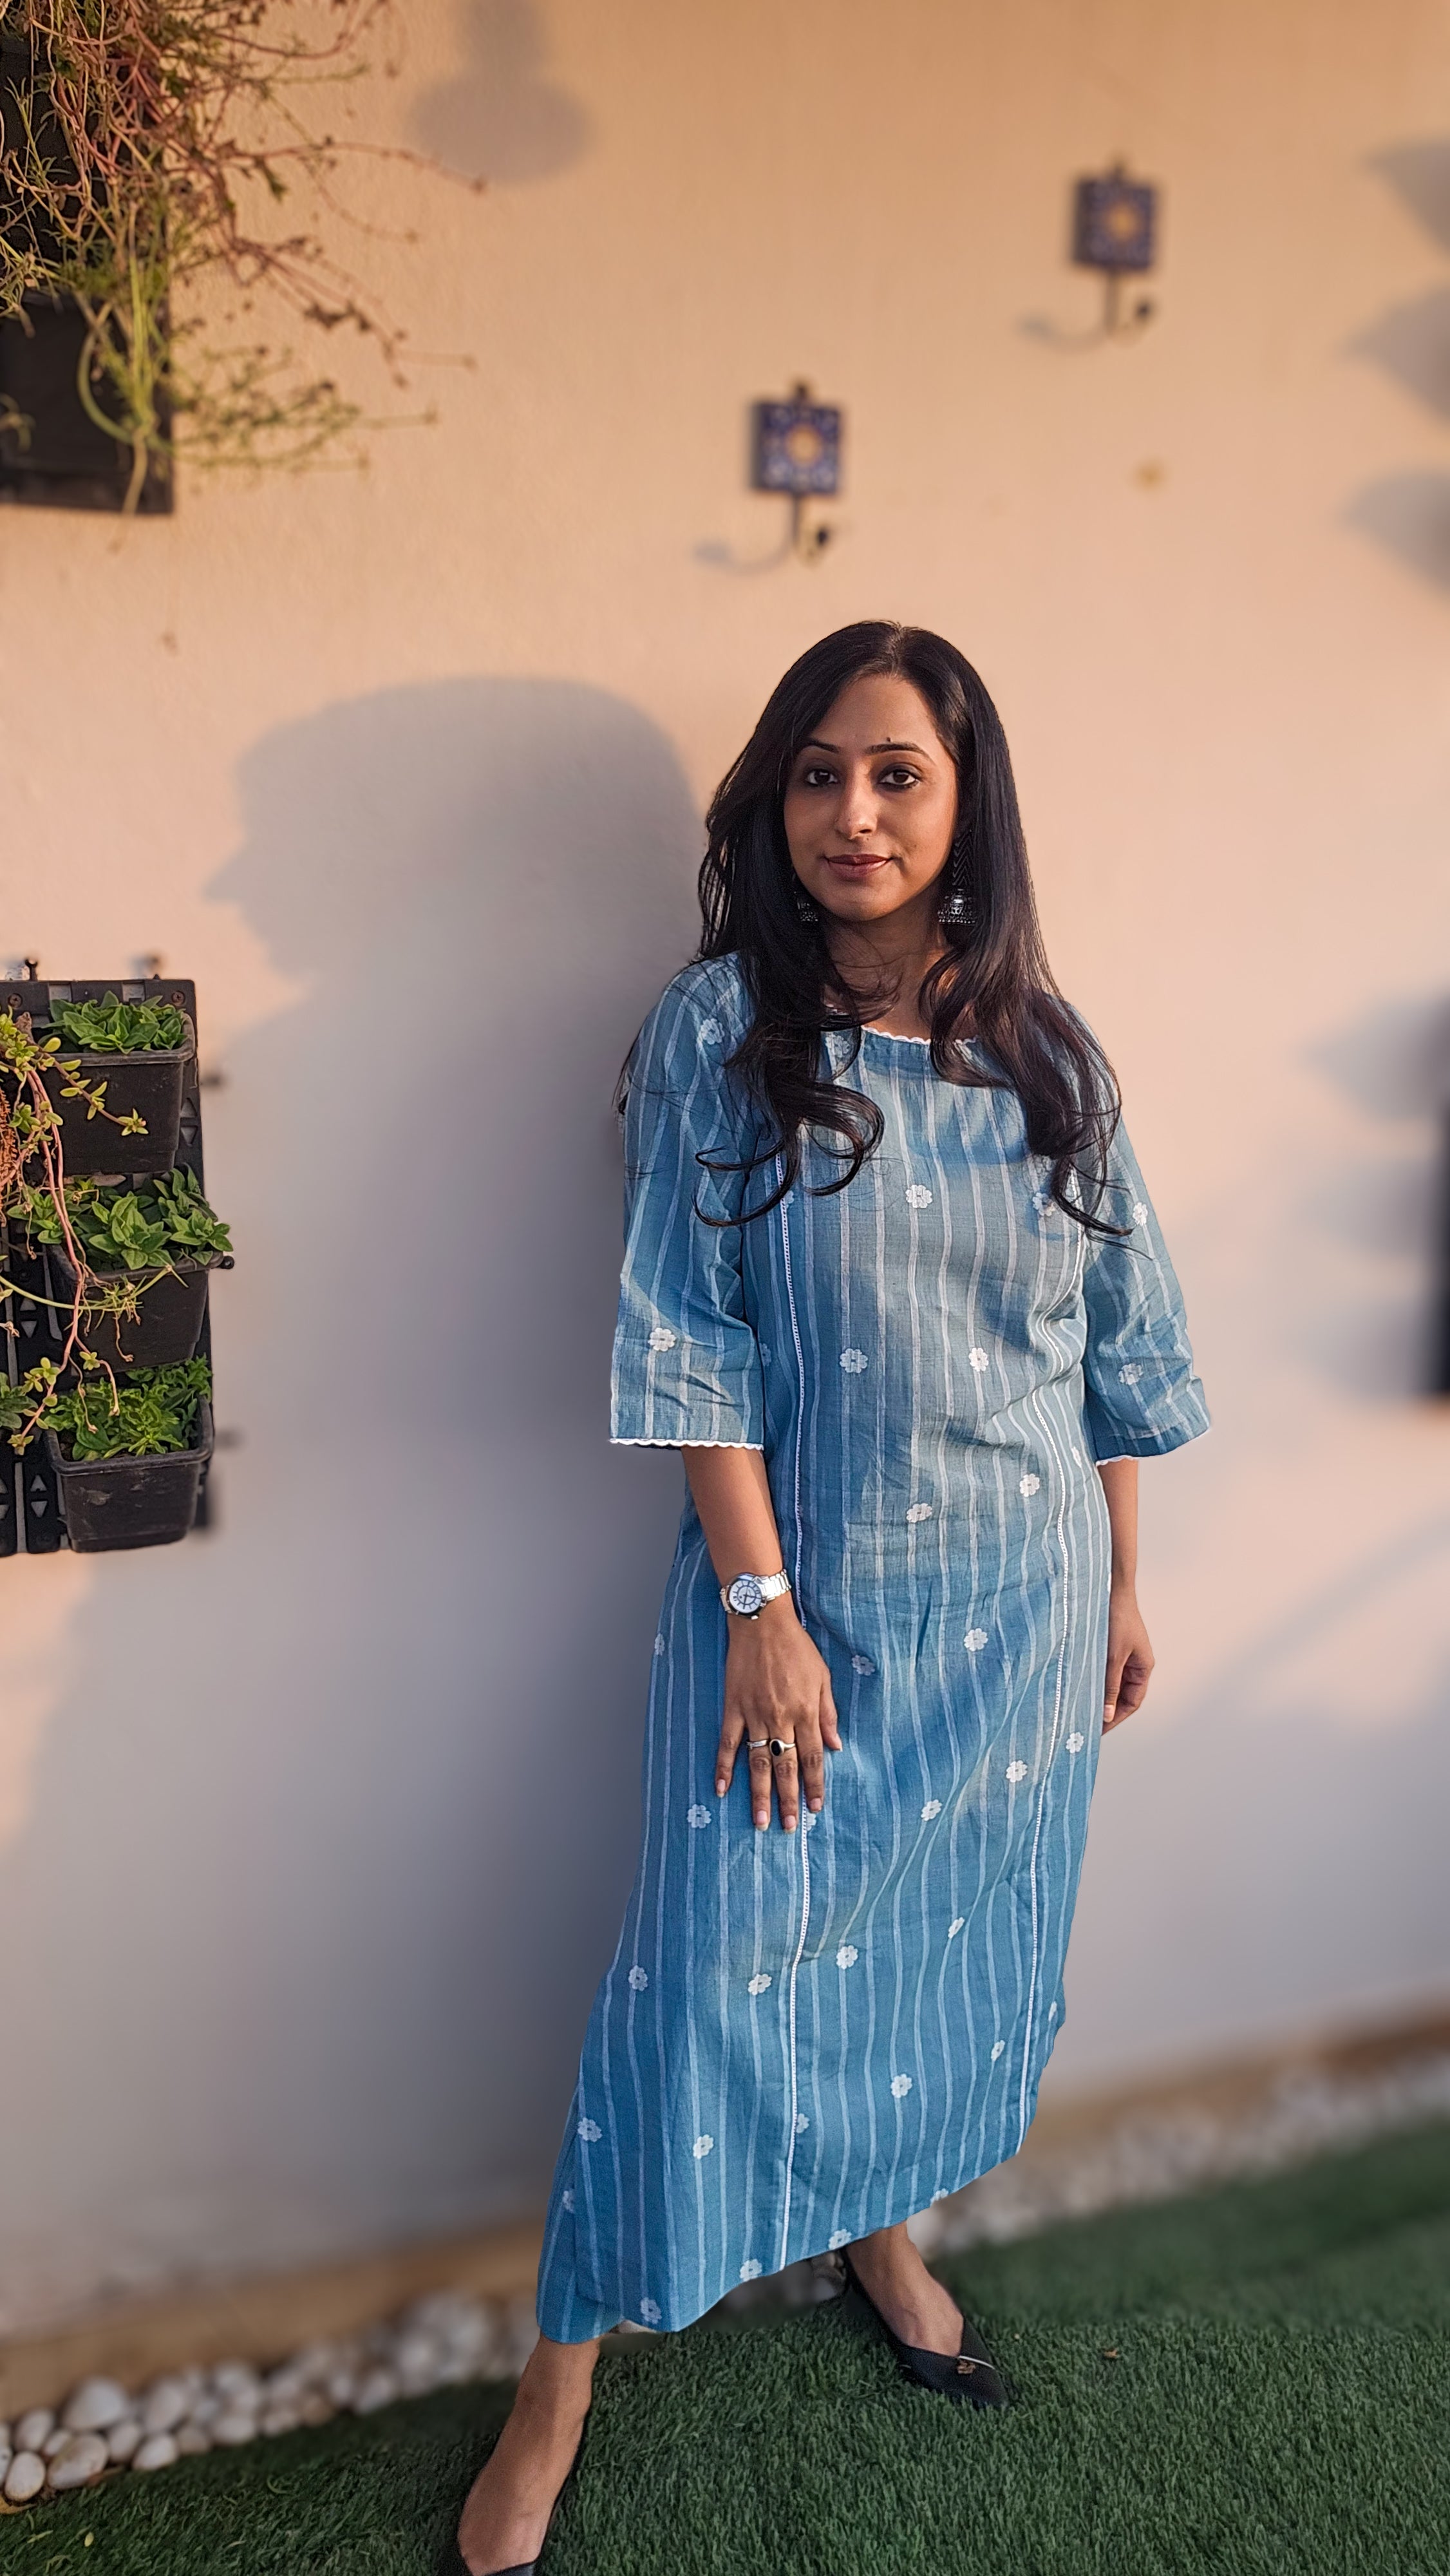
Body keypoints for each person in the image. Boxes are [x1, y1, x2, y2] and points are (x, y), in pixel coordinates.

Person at [444, 621, 1209, 2576]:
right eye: (817, 774)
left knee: (937, 1953)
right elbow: (688, 1341)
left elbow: (1113, 1342)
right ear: (772, 802)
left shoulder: (1046, 1048)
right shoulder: (721, 1031)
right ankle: (555, 2395)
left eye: (896, 775)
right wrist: (759, 1612)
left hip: (1022, 1615)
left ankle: (881, 2237)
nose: (852, 814)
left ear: (967, 809)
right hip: (800, 1621)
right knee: (697, 1986)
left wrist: (1123, 1581)